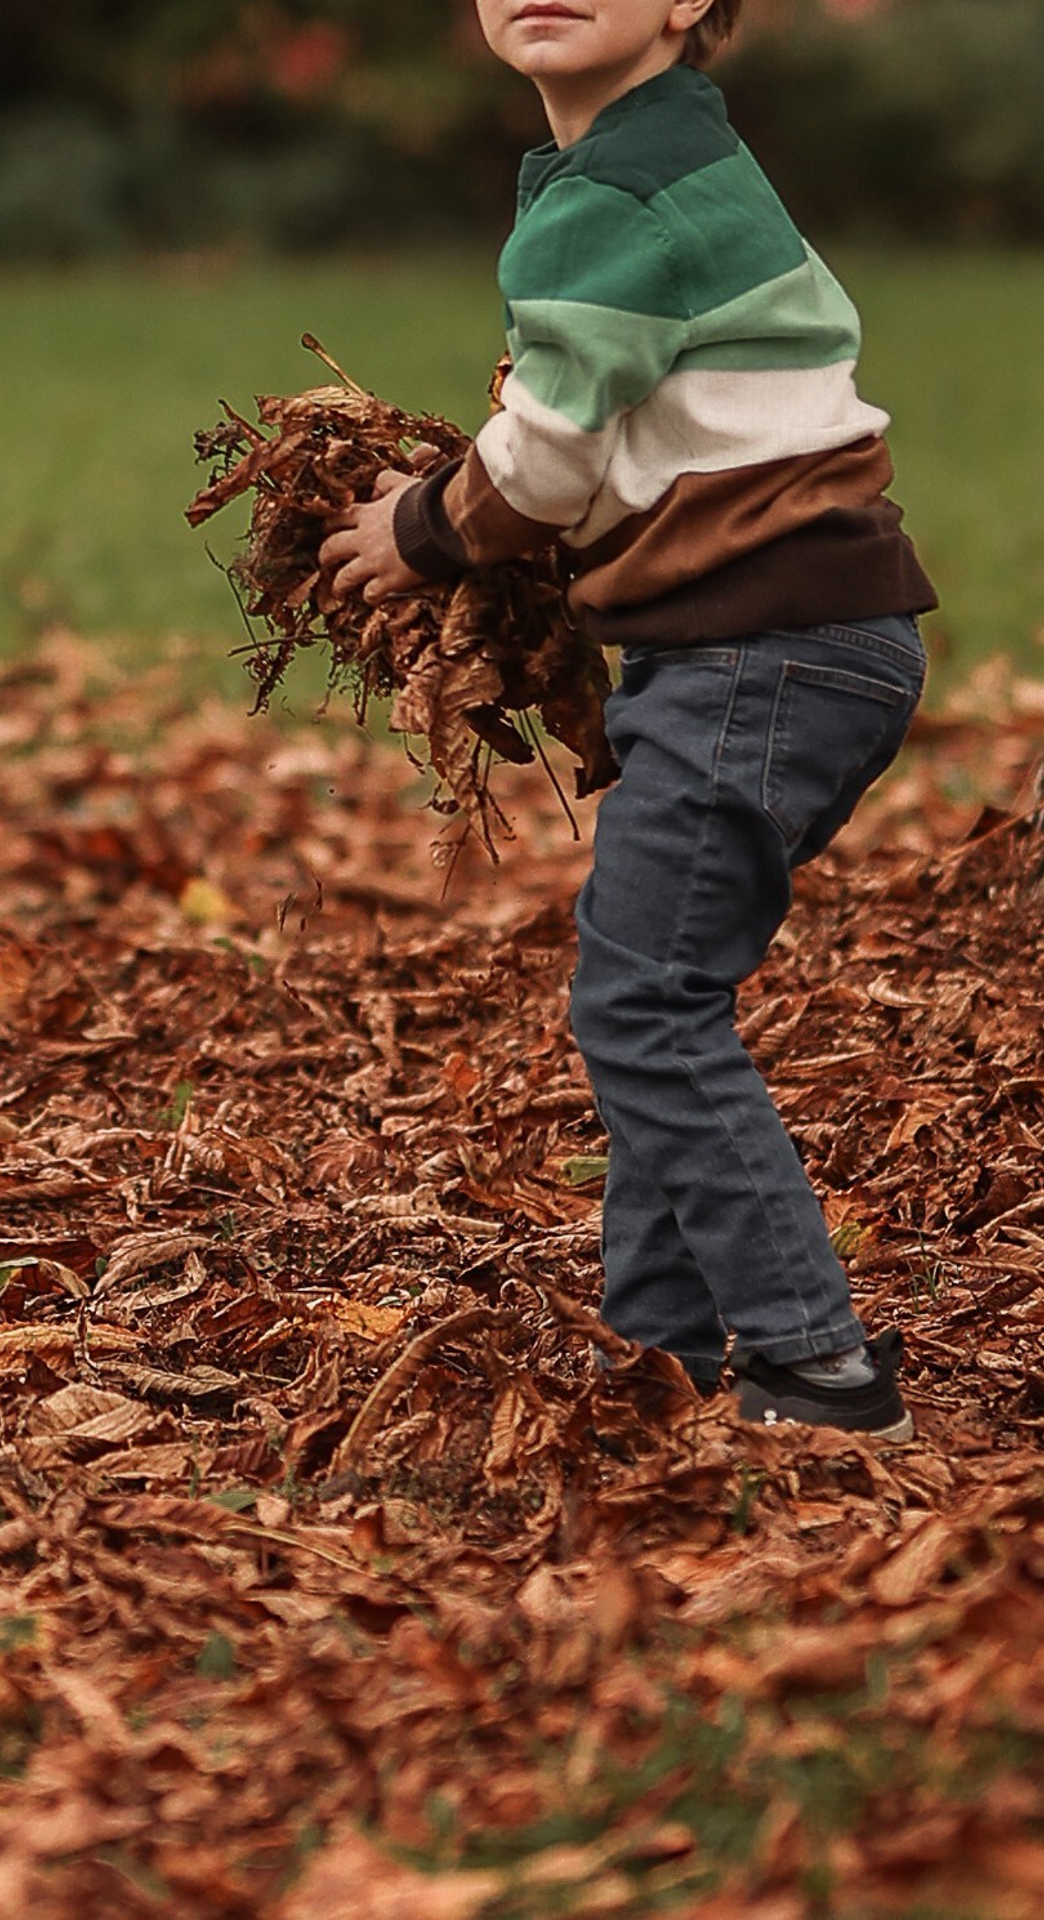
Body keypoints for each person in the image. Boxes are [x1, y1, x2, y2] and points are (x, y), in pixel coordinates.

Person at [321, 0, 935, 1438]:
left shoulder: (623, 191)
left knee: (641, 999)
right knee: (658, 985)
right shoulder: (662, 158)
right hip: (783, 645)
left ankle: (814, 1361)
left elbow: (541, 461)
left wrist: (418, 528)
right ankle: (666, 1340)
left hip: (762, 649)